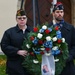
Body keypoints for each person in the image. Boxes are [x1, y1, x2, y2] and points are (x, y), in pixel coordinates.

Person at [1, 9, 32, 75]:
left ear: (26, 19)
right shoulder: (9, 32)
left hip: (30, 66)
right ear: (16, 19)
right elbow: (4, 46)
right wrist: (17, 51)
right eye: (19, 18)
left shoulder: (32, 31)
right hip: (14, 66)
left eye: (24, 18)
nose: (22, 20)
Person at [49, 2, 75, 75]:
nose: (60, 14)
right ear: (53, 13)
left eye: (61, 12)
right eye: (57, 12)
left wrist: (70, 56)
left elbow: (74, 45)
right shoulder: (47, 29)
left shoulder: (70, 28)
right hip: (52, 65)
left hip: (68, 65)